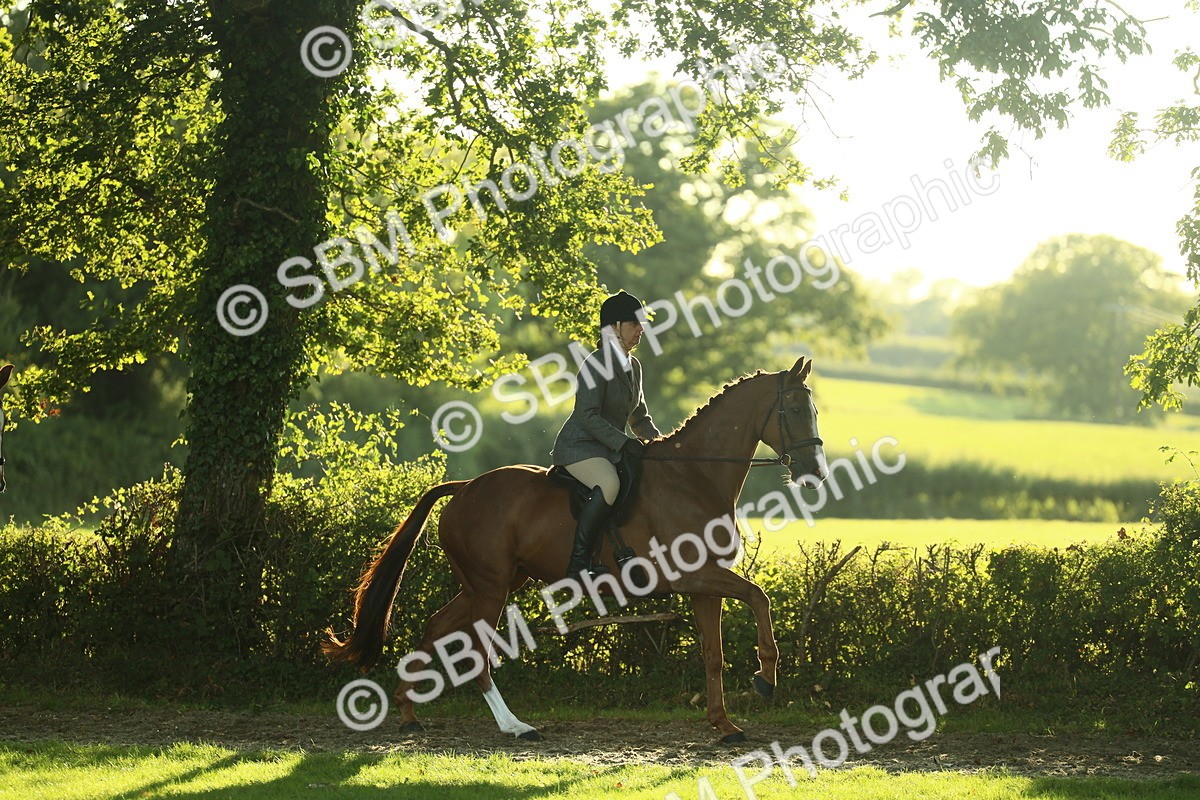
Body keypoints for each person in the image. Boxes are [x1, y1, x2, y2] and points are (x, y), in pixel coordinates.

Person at [550, 290, 661, 579]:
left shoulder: (633, 366)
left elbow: (640, 417)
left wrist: (661, 447)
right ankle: (577, 564)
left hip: (608, 449)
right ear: (613, 328)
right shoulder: (596, 363)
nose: (641, 329)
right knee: (609, 484)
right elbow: (588, 416)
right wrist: (624, 443)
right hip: (580, 448)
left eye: (642, 323)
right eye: (634, 324)